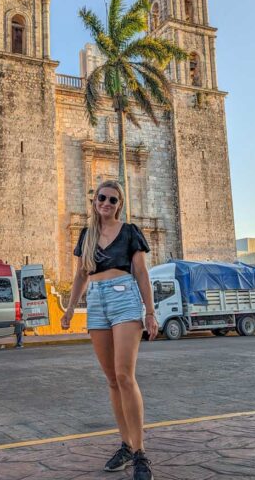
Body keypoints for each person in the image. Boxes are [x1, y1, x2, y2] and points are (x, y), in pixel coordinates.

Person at [62, 180, 158, 480]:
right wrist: (69, 308)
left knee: (125, 376)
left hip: (124, 297)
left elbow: (141, 273)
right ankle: (126, 445)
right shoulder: (87, 235)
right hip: (96, 301)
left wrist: (150, 312)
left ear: (120, 205)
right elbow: (81, 275)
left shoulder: (130, 232)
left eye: (113, 200)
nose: (106, 202)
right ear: (94, 201)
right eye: (102, 197)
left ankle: (140, 452)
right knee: (112, 381)